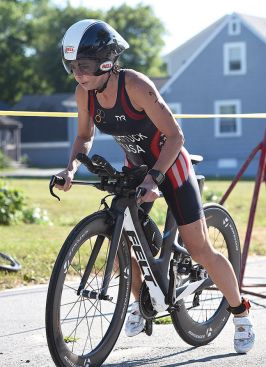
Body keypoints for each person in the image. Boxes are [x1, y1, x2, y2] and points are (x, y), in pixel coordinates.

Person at [56, 19, 255, 353]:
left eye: (85, 66)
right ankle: (143, 300)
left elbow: (176, 136)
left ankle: (240, 312)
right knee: (119, 243)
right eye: (72, 66)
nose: (78, 74)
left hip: (171, 166)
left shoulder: (135, 86)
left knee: (199, 249)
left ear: (107, 61)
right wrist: (70, 168)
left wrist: (156, 177)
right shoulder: (84, 94)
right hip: (135, 169)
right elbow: (84, 137)